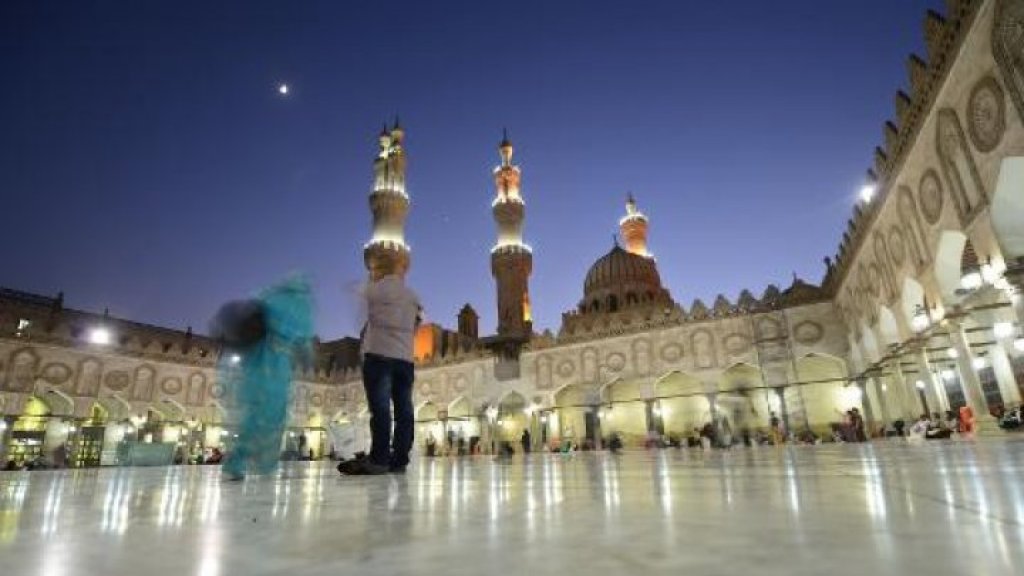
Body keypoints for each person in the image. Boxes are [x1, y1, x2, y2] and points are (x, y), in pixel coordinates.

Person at [212, 276, 314, 481]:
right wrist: (307, 355)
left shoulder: (269, 297)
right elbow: (302, 337)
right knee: (271, 415)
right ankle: (264, 465)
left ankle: (239, 463)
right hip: (275, 364)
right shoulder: (299, 305)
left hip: (257, 363)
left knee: (255, 416)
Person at [339, 263, 421, 476]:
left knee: (381, 409)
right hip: (405, 360)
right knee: (404, 410)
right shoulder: (412, 295)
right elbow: (417, 323)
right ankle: (400, 460)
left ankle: (379, 459)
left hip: (379, 355)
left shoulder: (376, 288)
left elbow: (353, 290)